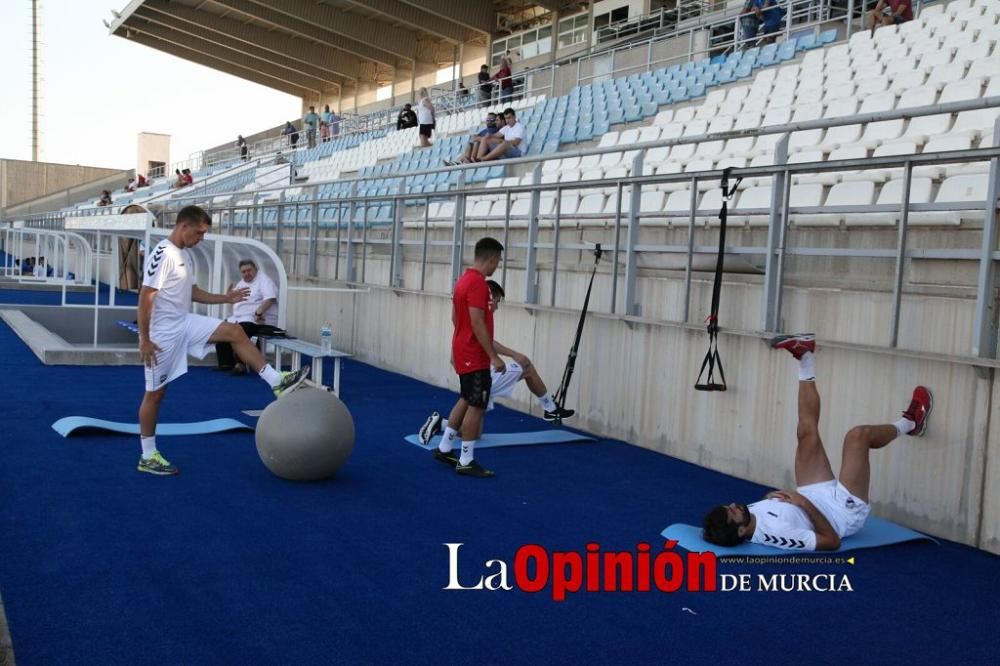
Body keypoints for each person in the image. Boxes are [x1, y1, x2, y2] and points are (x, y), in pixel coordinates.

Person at [701, 333, 933, 551]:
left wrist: (772, 498)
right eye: (733, 512)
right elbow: (831, 542)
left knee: (805, 431)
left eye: (728, 506)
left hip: (813, 495)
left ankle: (805, 355)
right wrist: (803, 503)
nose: (734, 505)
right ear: (741, 530)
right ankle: (911, 423)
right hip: (841, 514)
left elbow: (772, 511)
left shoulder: (746, 515)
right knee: (858, 436)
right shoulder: (775, 535)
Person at [136, 205, 310, 476]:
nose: (202, 238)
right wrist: (144, 340)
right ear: (184, 226)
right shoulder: (163, 254)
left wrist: (225, 298)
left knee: (235, 331)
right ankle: (147, 456)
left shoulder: (185, 254)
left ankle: (276, 381)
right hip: (162, 335)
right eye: (200, 232)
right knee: (155, 395)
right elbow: (146, 296)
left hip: (185, 321)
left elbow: (190, 291)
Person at [419, 279, 575, 448]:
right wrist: (514, 354)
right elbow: (486, 341)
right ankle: (550, 409)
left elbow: (460, 334)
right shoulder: (478, 317)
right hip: (482, 372)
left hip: (472, 370)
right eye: (497, 301)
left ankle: (440, 424)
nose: (497, 307)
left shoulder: (469, 314)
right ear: (490, 298)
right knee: (527, 367)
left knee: (473, 433)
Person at [428, 237, 506, 478]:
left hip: (464, 351)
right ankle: (466, 458)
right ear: (492, 259)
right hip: (475, 355)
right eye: (498, 261)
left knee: (466, 398)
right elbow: (477, 321)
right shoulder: (478, 284)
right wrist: (493, 356)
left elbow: (456, 319)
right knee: (477, 405)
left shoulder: (462, 280)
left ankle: (444, 447)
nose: (497, 266)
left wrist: (458, 346)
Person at [216, 259, 279, 373]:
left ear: (255, 269)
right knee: (221, 328)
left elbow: (270, 299)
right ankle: (226, 363)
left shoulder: (264, 280)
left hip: (259, 319)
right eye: (243, 272)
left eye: (249, 270)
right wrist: (228, 295)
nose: (246, 274)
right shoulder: (242, 283)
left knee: (242, 329)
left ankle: (241, 363)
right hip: (241, 318)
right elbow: (233, 300)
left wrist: (258, 313)